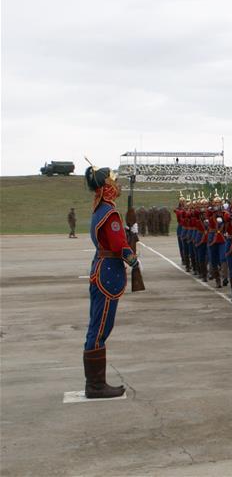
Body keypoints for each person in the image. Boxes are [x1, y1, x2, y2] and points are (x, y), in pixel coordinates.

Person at [82, 163, 140, 398]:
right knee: (100, 328)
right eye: (113, 181)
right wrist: (133, 259)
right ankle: (95, 385)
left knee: (97, 326)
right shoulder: (110, 212)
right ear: (106, 186)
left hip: (101, 268)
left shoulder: (101, 210)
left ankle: (95, 383)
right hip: (108, 273)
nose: (117, 185)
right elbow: (118, 245)